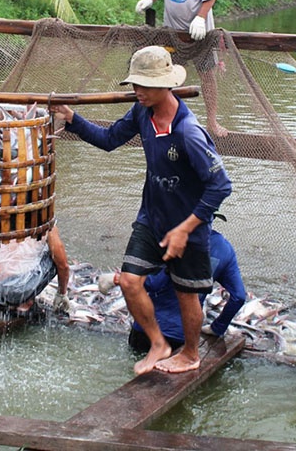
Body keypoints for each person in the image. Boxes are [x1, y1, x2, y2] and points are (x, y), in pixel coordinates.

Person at [52, 45, 232, 375]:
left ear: (166, 85)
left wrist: (185, 229)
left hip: (188, 228)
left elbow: (221, 186)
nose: (138, 92)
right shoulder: (141, 113)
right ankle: (159, 343)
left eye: (145, 86)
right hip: (152, 218)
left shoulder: (188, 133)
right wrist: (72, 119)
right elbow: (109, 140)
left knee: (186, 294)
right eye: (135, 85)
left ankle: (191, 354)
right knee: (131, 281)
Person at [135, 0, 228, 137]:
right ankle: (170, 120)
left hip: (200, 30)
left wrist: (200, 18)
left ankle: (212, 122)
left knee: (207, 74)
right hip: (172, 31)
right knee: (168, 74)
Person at [115, 229, 247, 353]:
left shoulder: (173, 240)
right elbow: (239, 297)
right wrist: (218, 327)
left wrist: (123, 278)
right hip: (183, 336)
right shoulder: (225, 249)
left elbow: (153, 283)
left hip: (147, 331)